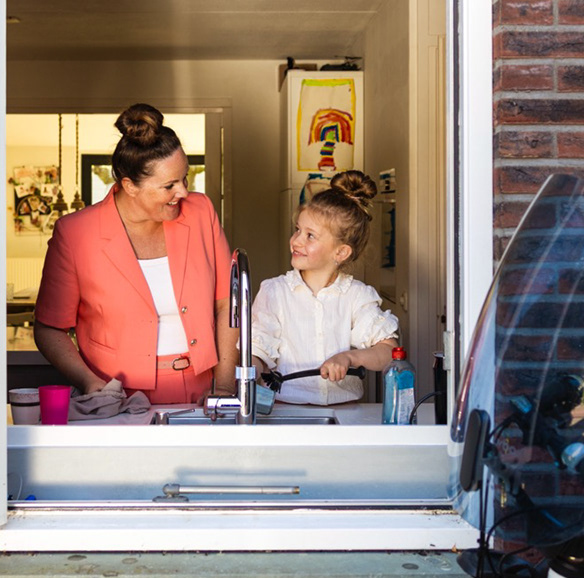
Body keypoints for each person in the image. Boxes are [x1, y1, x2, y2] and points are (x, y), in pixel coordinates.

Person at [32, 104, 238, 409]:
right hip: (116, 396)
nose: (183, 192)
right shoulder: (75, 234)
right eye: (169, 185)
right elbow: (49, 328)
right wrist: (91, 383)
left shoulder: (200, 212)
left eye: (185, 178)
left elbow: (227, 304)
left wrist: (224, 386)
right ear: (129, 186)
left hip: (204, 391)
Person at [251, 170, 400, 406]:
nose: (296, 240)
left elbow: (389, 352)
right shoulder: (274, 292)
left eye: (310, 236)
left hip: (346, 413)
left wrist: (349, 357)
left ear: (340, 252)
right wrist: (250, 371)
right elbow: (257, 351)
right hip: (284, 410)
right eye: (298, 229)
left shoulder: (356, 296)